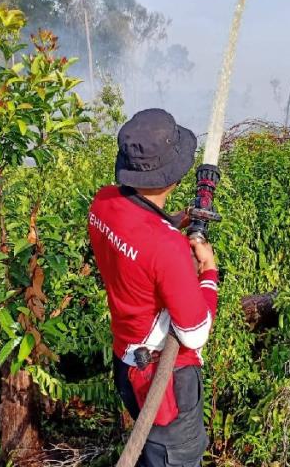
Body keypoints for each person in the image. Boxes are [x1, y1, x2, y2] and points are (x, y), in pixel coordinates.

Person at [88, 108, 219, 466]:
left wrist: (176, 221)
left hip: (125, 362)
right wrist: (208, 271)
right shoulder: (166, 247)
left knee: (150, 449)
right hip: (163, 378)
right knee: (175, 456)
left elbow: (136, 230)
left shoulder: (103, 203)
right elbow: (193, 334)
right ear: (173, 175)